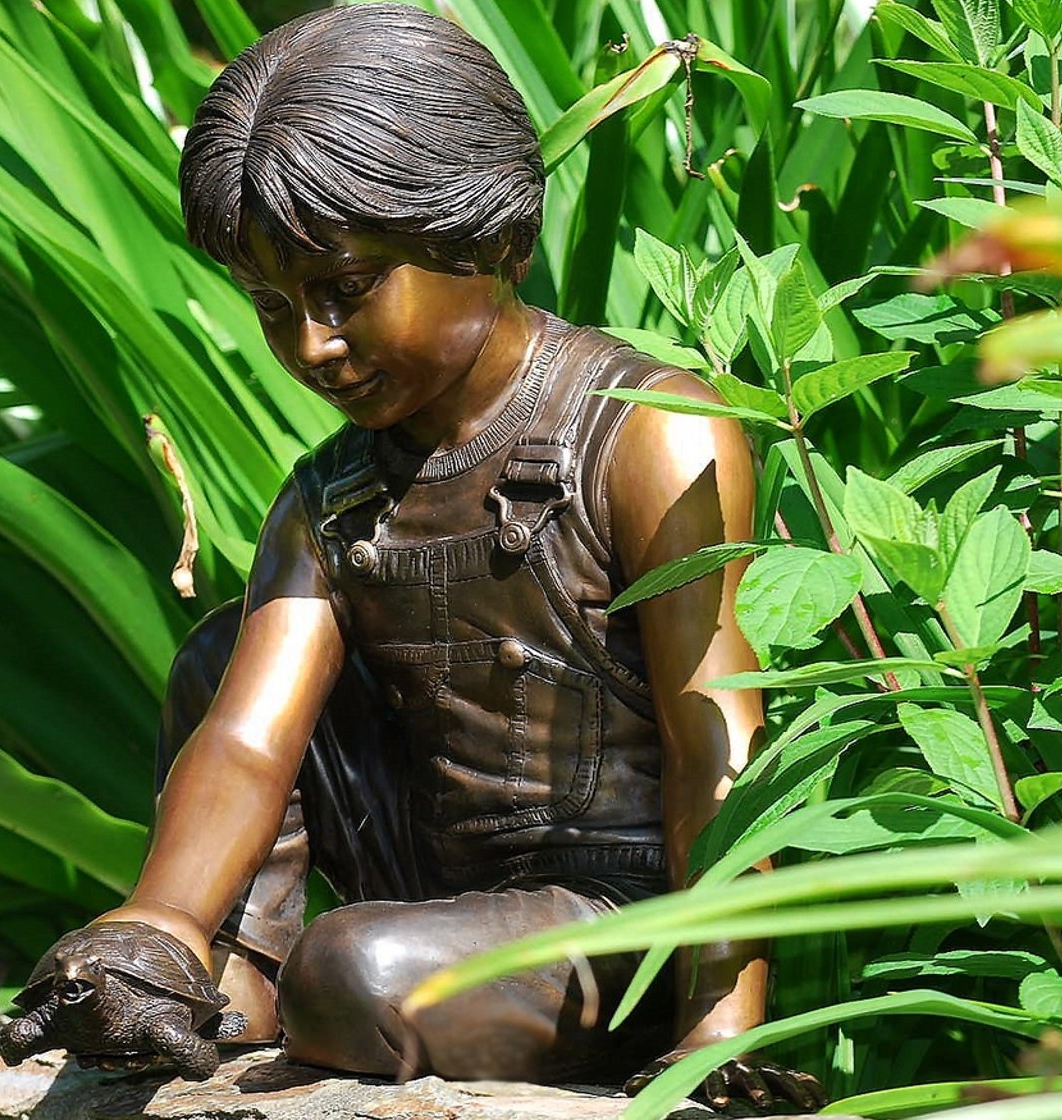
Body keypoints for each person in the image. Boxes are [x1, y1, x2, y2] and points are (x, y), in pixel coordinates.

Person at [40, 4, 822, 1109]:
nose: (312, 345)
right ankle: (222, 978)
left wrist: (716, 1034)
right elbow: (250, 739)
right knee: (227, 649)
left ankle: (313, 979)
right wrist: (151, 928)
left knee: (350, 971)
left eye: (345, 290)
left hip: (617, 930)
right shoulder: (331, 494)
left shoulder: (644, 430)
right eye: (274, 308)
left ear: (488, 240)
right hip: (438, 895)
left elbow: (715, 740)